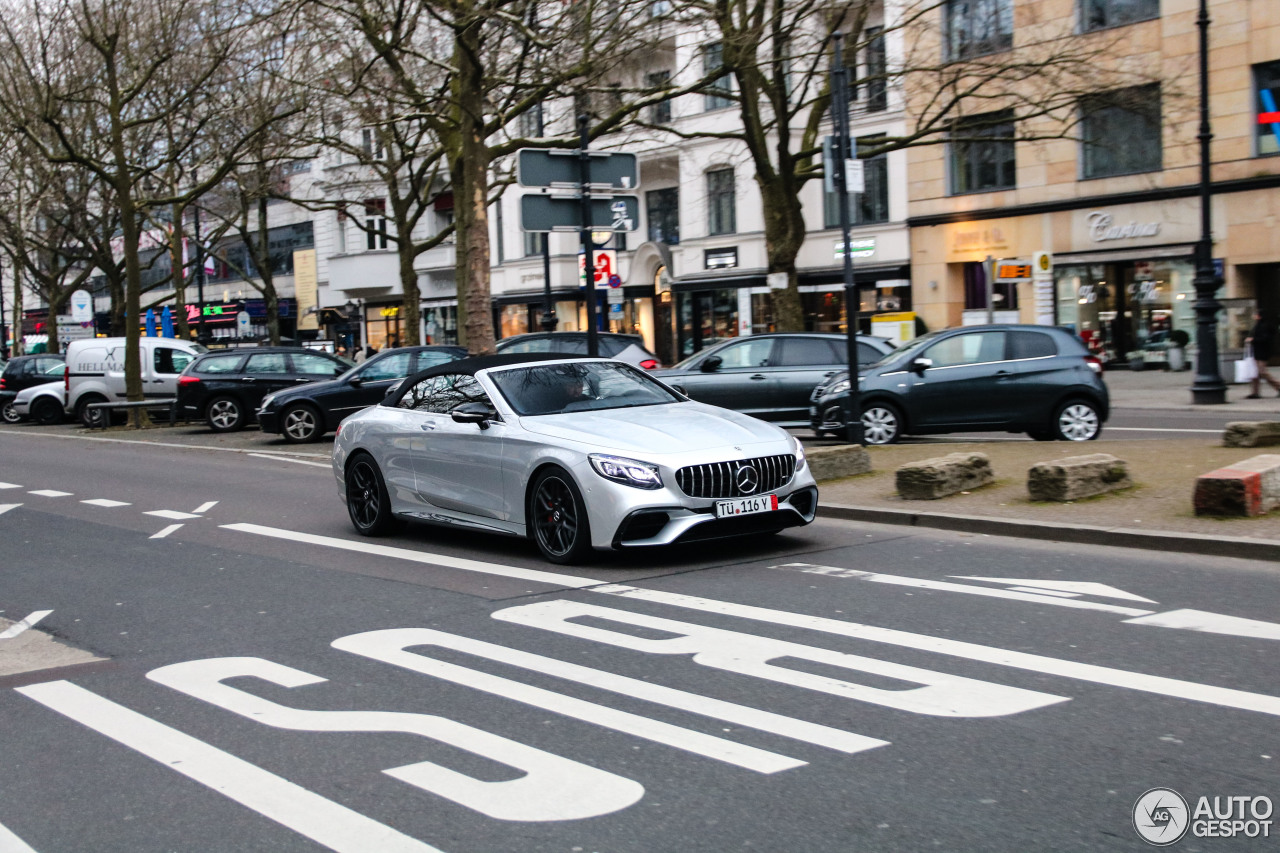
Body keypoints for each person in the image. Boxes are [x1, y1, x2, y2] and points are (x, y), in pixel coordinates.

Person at [1246, 310, 1280, 398]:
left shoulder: (1264, 326)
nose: (1253, 316)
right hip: (1257, 352)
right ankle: (1255, 392)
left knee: (1262, 372)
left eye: (1255, 315)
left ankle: (1278, 386)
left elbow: (1264, 339)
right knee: (1255, 373)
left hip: (1262, 352)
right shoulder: (1258, 326)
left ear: (1259, 316)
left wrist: (1253, 340)